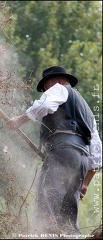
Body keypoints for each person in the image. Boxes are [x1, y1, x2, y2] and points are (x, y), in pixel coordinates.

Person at [7, 66, 102, 236]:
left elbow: (45, 104)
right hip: (80, 161)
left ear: (56, 81)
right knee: (68, 216)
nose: (45, 91)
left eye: (45, 87)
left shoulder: (59, 89)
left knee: (47, 205)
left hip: (62, 153)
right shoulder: (87, 111)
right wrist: (86, 182)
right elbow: (97, 153)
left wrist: (19, 121)